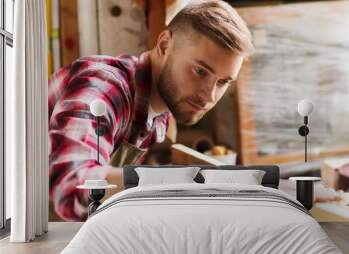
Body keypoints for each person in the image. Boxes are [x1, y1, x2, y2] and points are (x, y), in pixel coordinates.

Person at [48, 0, 254, 221]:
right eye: (200, 71)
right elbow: (72, 188)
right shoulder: (105, 87)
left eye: (223, 82)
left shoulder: (159, 115)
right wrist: (181, 184)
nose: (209, 96)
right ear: (165, 44)